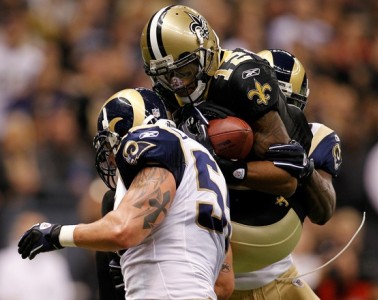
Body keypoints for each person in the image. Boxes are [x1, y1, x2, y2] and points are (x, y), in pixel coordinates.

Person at [140, 6, 339, 297]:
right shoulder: (167, 95)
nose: (178, 84)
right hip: (221, 255)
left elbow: (301, 192)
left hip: (268, 246)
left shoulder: (247, 81)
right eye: (167, 76)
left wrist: (221, 166)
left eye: (184, 71)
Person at [17, 87, 232, 299]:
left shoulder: (156, 142)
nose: (111, 159)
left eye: (112, 145)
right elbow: (224, 284)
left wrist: (56, 235)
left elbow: (123, 229)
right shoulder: (203, 166)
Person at [225, 49, 342, 299]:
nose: (275, 116)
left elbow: (324, 210)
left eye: (282, 105)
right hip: (215, 275)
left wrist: (307, 171)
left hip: (277, 275)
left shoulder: (317, 137)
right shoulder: (224, 132)